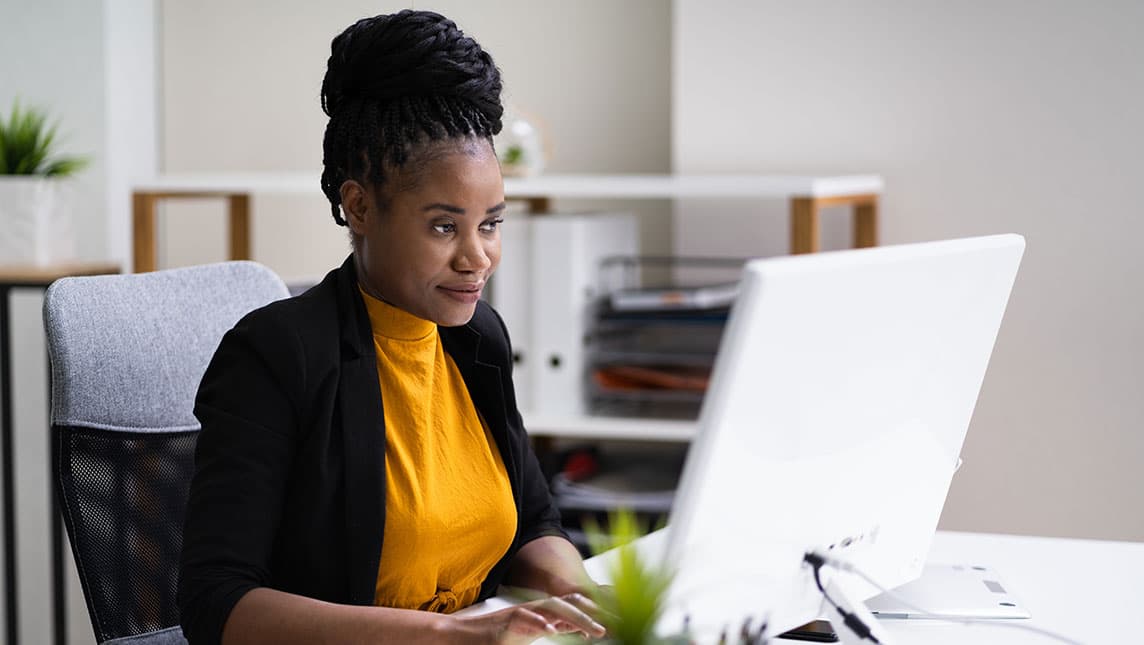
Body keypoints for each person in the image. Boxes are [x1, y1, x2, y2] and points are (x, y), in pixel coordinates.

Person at [177, 10, 606, 645]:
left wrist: (584, 602)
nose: (477, 257)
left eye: (490, 224)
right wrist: (455, 638)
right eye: (443, 226)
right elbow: (218, 602)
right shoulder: (276, 354)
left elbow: (536, 522)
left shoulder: (476, 338)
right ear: (360, 206)